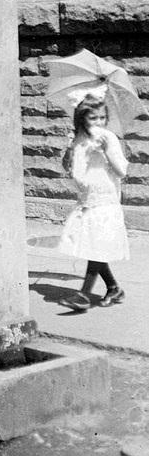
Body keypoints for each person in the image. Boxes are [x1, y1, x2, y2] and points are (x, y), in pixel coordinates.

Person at [58, 93, 129, 310]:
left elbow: (122, 171)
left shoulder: (108, 138)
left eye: (102, 118)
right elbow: (70, 168)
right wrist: (70, 152)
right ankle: (114, 288)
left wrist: (106, 153)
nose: (99, 123)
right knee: (93, 246)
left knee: (95, 245)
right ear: (81, 119)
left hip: (106, 199)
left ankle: (84, 294)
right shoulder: (78, 139)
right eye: (93, 118)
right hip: (88, 199)